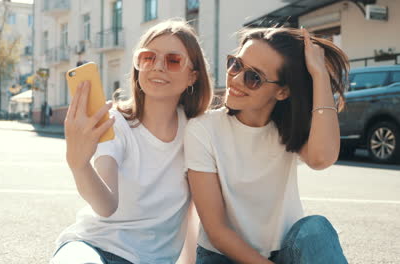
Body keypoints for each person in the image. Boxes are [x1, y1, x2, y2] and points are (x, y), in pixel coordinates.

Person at [51, 19, 213, 264]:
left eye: (173, 60)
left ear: (193, 76)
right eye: (148, 57)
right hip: (92, 248)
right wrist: (79, 164)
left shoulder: (196, 132)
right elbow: (105, 205)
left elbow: (191, 212)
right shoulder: (116, 122)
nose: (158, 66)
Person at [185, 27, 349, 264]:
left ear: (282, 91)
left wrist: (320, 75)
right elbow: (217, 231)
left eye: (254, 77)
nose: (236, 79)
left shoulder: (286, 129)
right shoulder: (203, 129)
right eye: (236, 65)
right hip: (222, 257)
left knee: (316, 228)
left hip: (283, 252)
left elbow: (322, 158)